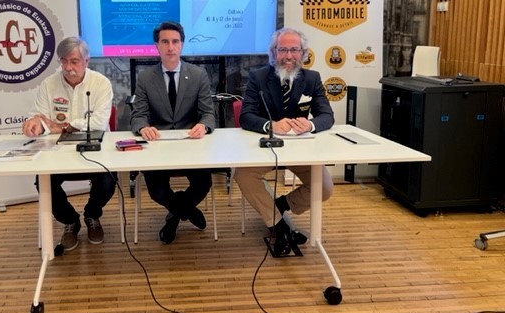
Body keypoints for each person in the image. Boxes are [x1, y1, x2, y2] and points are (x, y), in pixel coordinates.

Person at [235, 27, 335, 256]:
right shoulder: (258, 77)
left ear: (303, 53)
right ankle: (278, 226)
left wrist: (310, 125)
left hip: (301, 150)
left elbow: (327, 116)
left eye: (294, 50)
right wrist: (271, 125)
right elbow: (246, 116)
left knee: (325, 188)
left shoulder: (312, 78)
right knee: (243, 175)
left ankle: (279, 206)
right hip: (267, 149)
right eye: (282, 50)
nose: (288, 56)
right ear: (273, 52)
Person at [22, 36, 115, 249]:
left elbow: (99, 123)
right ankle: (70, 220)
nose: (68, 67)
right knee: (43, 182)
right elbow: (40, 117)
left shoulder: (101, 83)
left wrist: (63, 126)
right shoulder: (49, 84)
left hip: (94, 150)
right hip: (57, 152)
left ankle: (92, 215)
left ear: (86, 61)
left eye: (74, 61)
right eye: (63, 61)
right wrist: (35, 124)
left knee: (108, 180)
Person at [130, 21, 216, 244]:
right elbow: (138, 115)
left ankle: (174, 215)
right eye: (165, 42)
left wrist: (203, 126)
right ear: (156, 46)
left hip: (191, 143)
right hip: (158, 145)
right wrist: (143, 127)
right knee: (157, 191)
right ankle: (187, 210)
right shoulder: (146, 78)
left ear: (182, 44)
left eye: (175, 41)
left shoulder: (198, 75)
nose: (170, 47)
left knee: (203, 183)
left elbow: (208, 113)